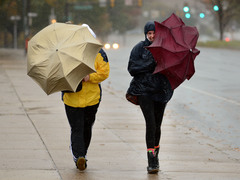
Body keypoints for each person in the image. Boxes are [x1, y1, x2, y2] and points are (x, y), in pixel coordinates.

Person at [126, 21, 173, 174]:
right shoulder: (139, 48)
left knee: (158, 125)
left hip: (160, 92)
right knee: (150, 124)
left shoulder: (164, 49)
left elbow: (170, 69)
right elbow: (132, 69)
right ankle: (151, 160)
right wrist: (150, 64)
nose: (152, 36)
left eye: (154, 33)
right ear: (145, 34)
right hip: (144, 91)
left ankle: (156, 156)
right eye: (149, 33)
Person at [62, 24, 110, 171]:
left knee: (87, 128)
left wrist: (90, 77)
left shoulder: (99, 53)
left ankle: (83, 153)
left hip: (92, 99)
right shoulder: (67, 53)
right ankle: (79, 156)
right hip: (72, 98)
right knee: (77, 128)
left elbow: (104, 72)